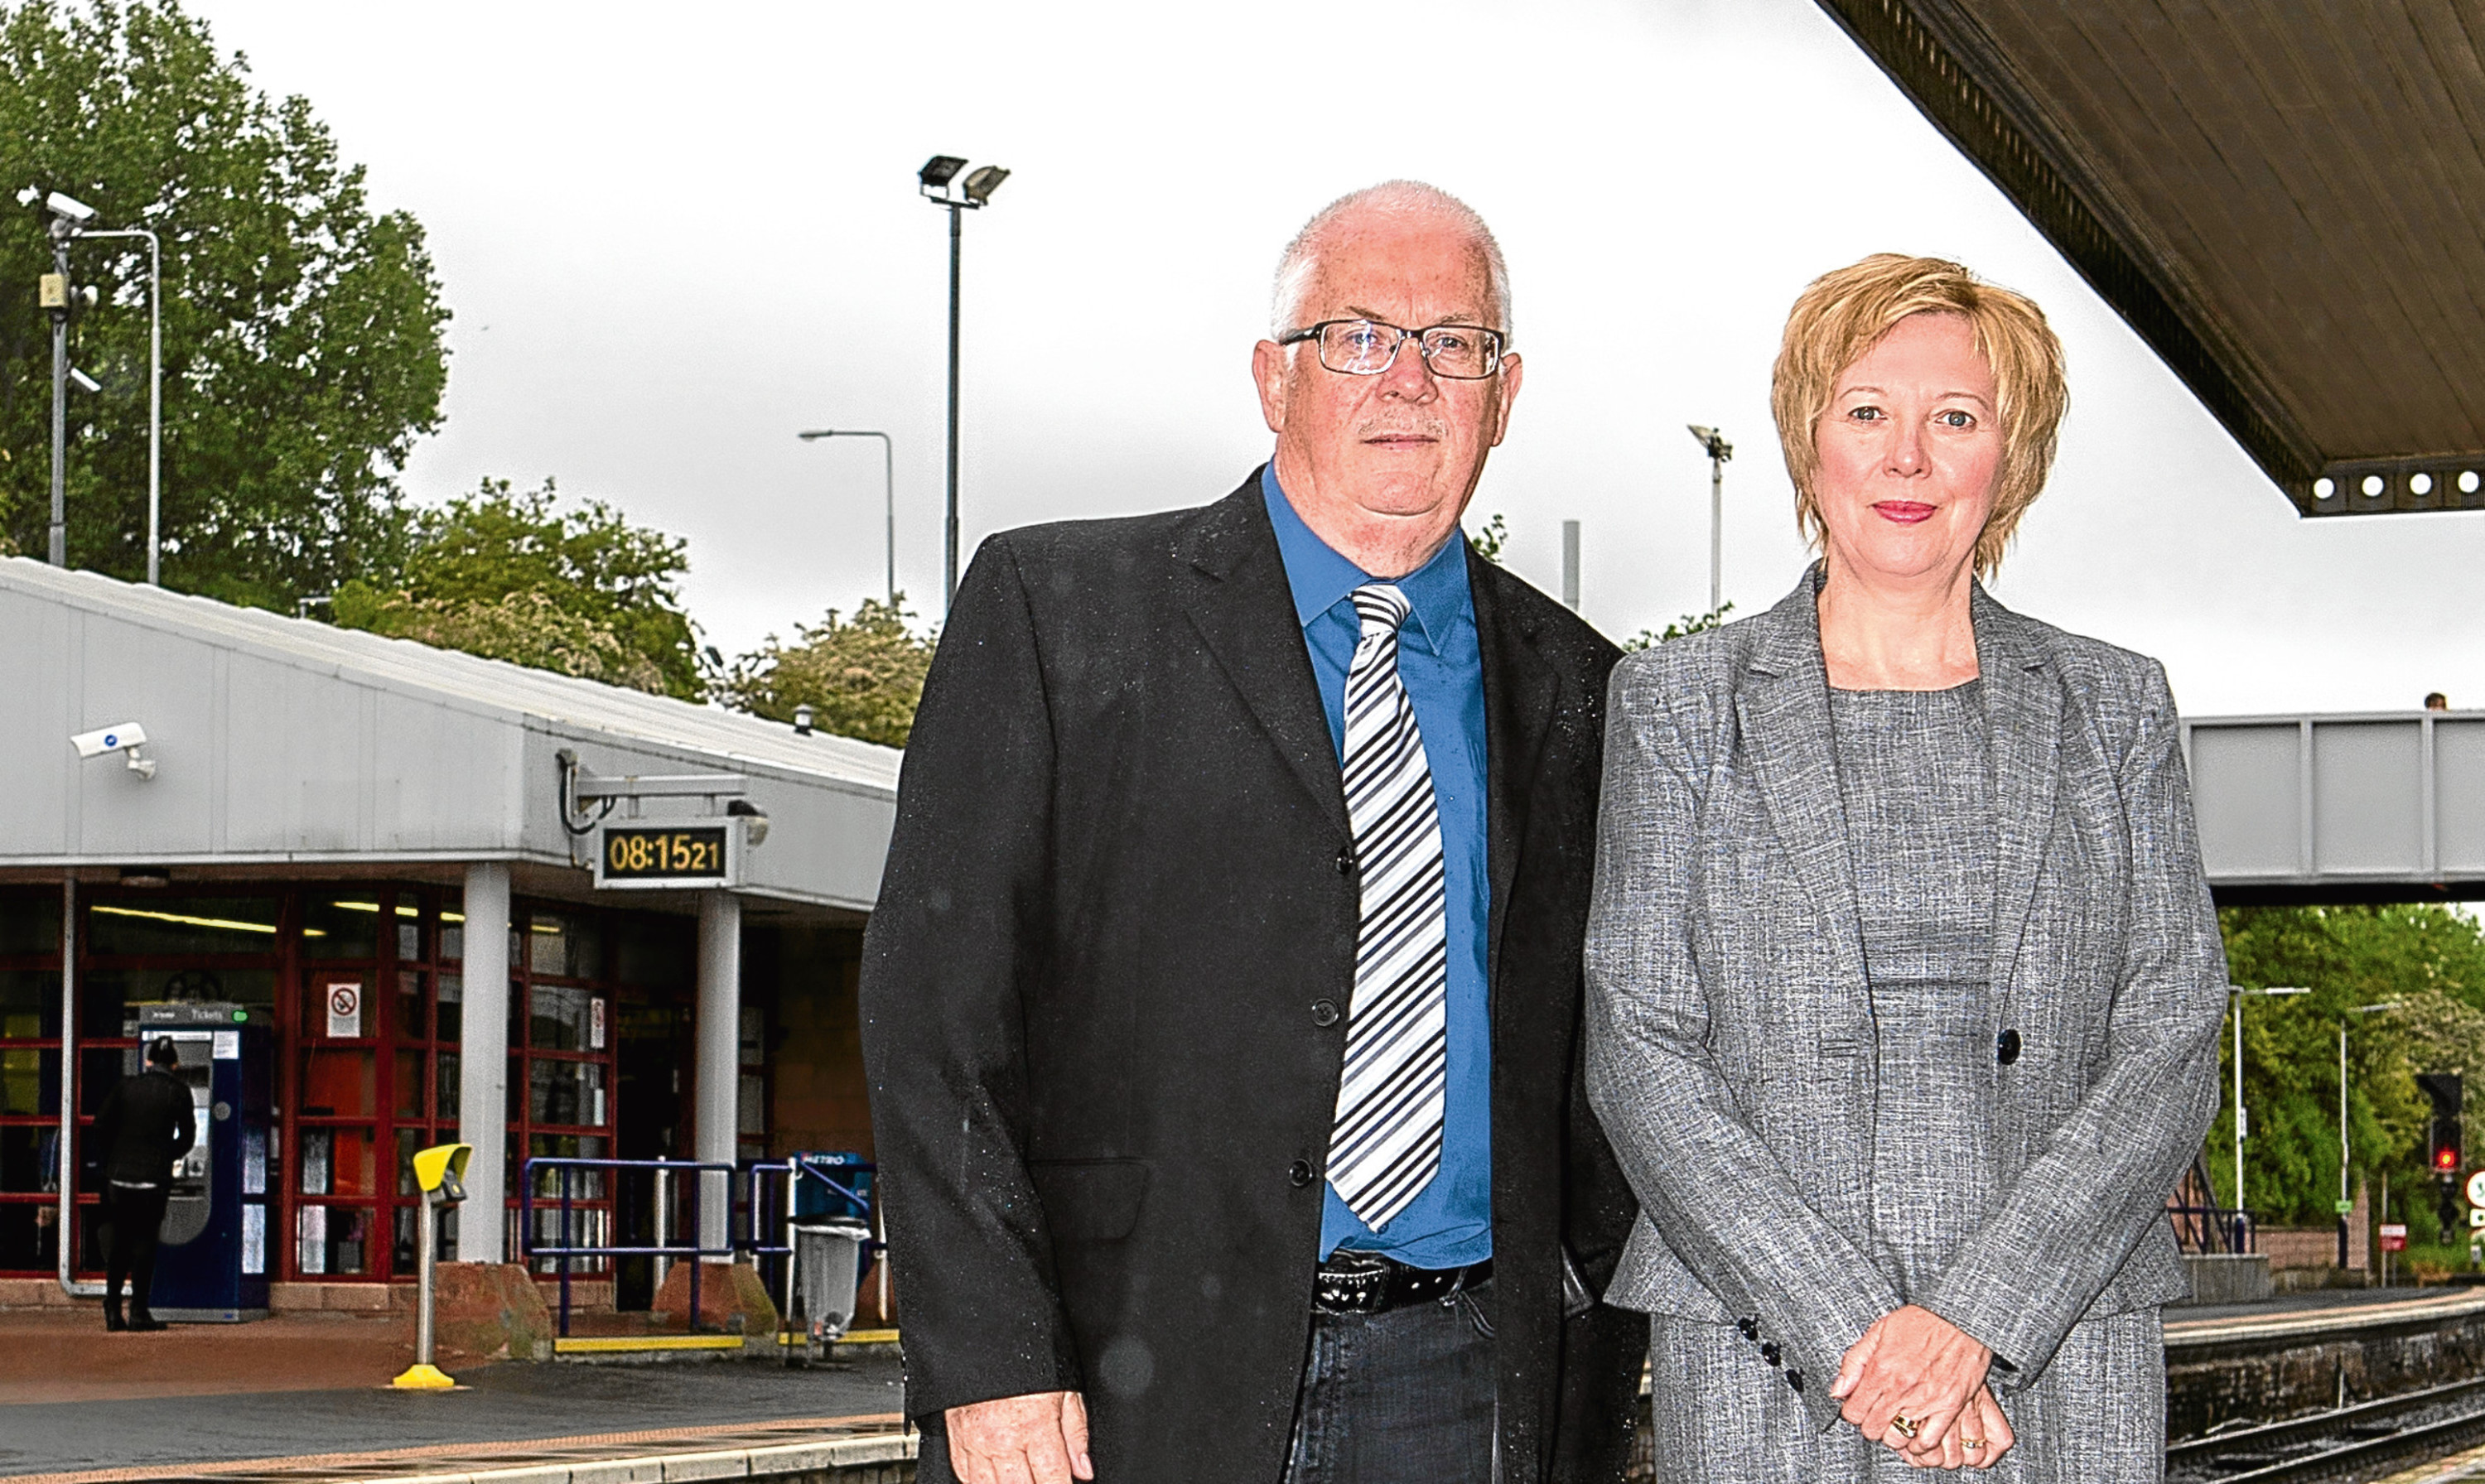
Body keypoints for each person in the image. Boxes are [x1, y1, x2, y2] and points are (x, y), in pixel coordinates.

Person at [861, 181, 1646, 1484]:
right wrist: (991, 1356)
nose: (1409, 379)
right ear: (1274, 380)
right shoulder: (1059, 616)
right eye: (1357, 336)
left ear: (1504, 396)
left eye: (1455, 343)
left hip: (1463, 1390)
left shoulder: (1587, 693)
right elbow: (932, 1020)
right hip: (1121, 1380)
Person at [1582, 254, 2228, 1479]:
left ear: (2013, 457)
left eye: (1957, 419)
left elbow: (2173, 1032)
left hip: (2061, 1349)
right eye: (1867, 411)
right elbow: (1639, 1045)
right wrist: (1858, 1335)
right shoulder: (1672, 706)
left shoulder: (2116, 706)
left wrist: (1979, 1321)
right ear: (1807, 440)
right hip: (1769, 1353)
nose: (1907, 458)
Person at [91, 1036, 195, 1332]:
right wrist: (164, 1157)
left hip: (118, 1179)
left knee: (119, 1245)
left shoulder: (126, 1086)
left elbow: (100, 1124)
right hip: (152, 1182)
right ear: (174, 1065)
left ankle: (112, 1309)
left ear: (148, 1061)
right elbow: (187, 1139)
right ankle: (139, 1312)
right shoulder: (179, 1092)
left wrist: (113, 1157)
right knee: (144, 1246)